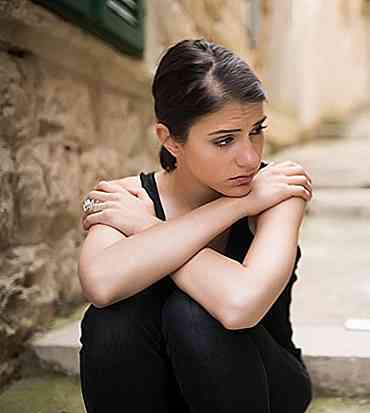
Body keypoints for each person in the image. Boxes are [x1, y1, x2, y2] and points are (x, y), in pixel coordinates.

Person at [77, 38, 314, 413]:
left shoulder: (278, 190)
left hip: (264, 384)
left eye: (256, 130)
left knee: (194, 314)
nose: (250, 158)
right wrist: (236, 205)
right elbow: (101, 285)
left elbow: (240, 305)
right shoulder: (129, 198)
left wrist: (146, 227)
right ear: (170, 140)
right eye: (224, 140)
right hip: (159, 389)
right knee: (112, 320)